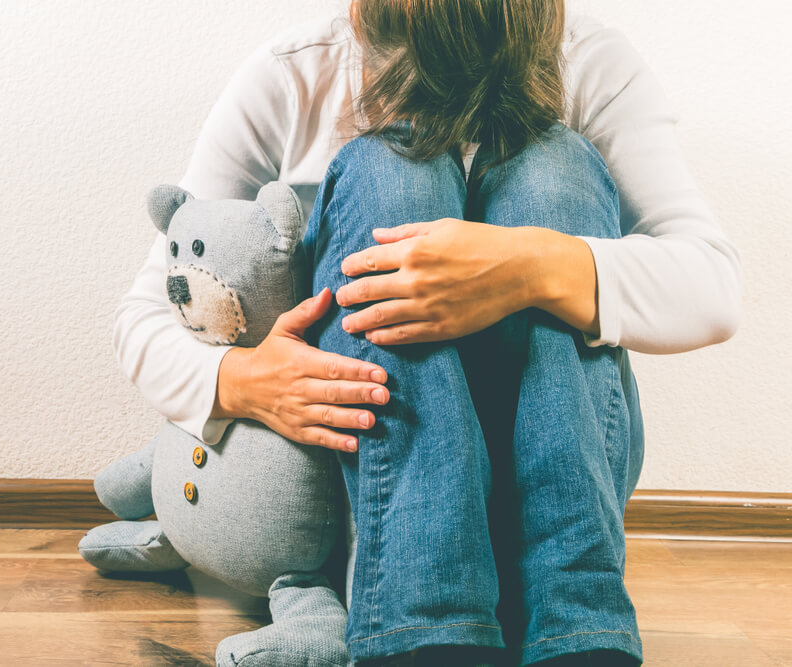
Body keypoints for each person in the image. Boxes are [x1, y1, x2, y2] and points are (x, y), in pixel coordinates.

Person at [113, 1, 743, 665]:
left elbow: (715, 287)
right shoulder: (293, 77)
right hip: (383, 515)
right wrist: (244, 380)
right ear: (361, 19)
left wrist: (533, 266)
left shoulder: (592, 62)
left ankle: (573, 624)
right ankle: (427, 627)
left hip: (551, 492)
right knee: (390, 168)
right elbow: (144, 314)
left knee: (555, 165)